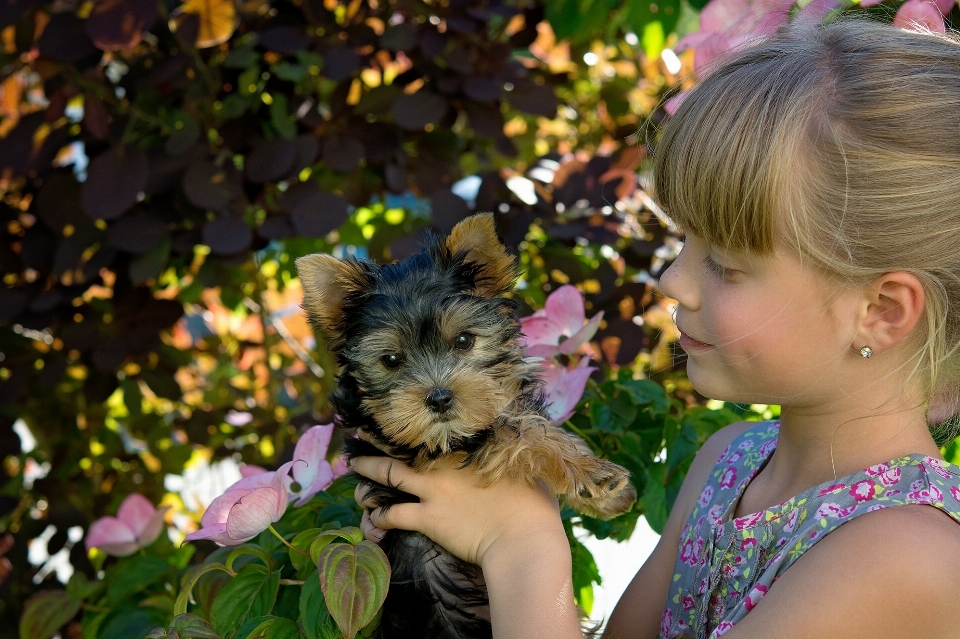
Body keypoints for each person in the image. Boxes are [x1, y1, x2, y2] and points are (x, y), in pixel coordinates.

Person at [350, 18, 960, 639]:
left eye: (724, 264)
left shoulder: (904, 556)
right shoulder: (734, 460)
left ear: (881, 312)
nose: (673, 281)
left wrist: (521, 545)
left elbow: (525, 557)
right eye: (684, 243)